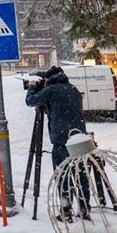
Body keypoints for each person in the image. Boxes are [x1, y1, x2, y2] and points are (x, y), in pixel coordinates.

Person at [25, 66, 91, 220]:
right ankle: (84, 208)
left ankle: (66, 210)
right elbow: (62, 108)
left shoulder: (51, 90)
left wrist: (33, 87)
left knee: (63, 175)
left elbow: (30, 101)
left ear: (49, 79)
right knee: (80, 174)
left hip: (62, 141)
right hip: (79, 139)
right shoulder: (73, 89)